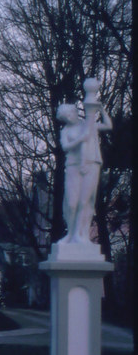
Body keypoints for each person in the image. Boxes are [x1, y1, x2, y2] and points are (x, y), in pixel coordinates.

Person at [56, 92, 112, 245]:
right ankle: (71, 234)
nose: (74, 115)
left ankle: (81, 235)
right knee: (71, 203)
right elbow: (65, 146)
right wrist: (81, 139)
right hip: (73, 166)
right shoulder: (66, 130)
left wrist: (101, 109)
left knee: (85, 201)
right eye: (70, 114)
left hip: (90, 164)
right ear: (66, 117)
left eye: (74, 112)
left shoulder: (87, 124)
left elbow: (108, 125)